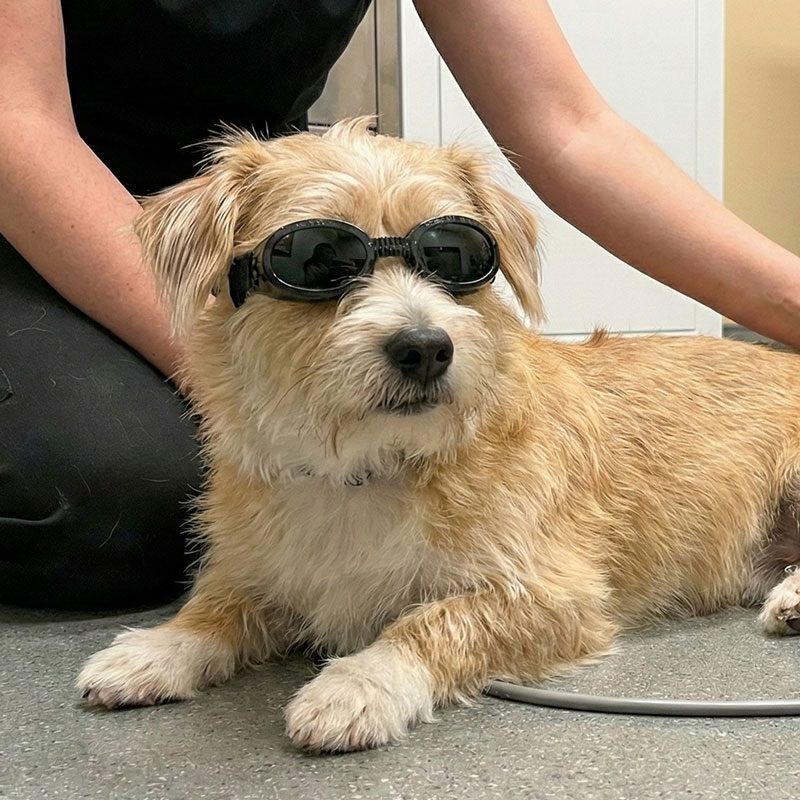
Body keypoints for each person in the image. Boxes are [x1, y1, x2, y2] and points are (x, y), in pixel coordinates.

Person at [2, 0, 799, 610]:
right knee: (116, 495)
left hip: (296, 212)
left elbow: (570, 126)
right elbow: (17, 120)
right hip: (37, 206)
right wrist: (228, 372)